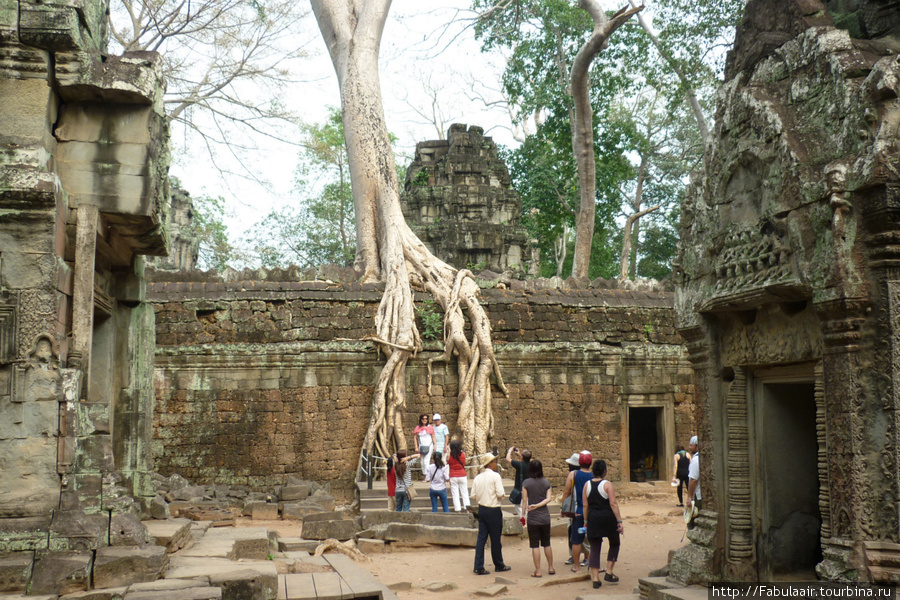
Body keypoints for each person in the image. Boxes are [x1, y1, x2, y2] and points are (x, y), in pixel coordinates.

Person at [583, 459, 623, 588]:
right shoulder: (607, 484)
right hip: (608, 518)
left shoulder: (586, 485)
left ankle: (595, 578)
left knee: (595, 546)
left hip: (593, 518)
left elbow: (585, 505)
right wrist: (619, 520)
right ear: (604, 471)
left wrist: (585, 521)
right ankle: (609, 570)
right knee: (614, 542)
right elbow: (613, 503)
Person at [470, 453, 510, 575]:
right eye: (494, 462)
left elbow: (473, 495)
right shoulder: (495, 476)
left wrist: (482, 499)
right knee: (495, 539)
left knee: (481, 538)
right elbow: (500, 493)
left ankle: (478, 566)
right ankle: (498, 564)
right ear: (490, 464)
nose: (496, 464)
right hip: (493, 509)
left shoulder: (478, 477)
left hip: (482, 508)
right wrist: (500, 497)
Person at [522, 459, 555, 577]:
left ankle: (538, 570)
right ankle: (551, 567)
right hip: (545, 517)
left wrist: (523, 514)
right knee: (547, 543)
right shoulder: (546, 482)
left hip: (533, 518)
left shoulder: (526, 483)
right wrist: (539, 505)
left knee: (535, 545)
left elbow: (525, 500)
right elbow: (549, 498)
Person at [562, 450, 593, 572]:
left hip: (577, 511)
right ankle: (590, 561)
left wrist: (563, 507)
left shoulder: (573, 475)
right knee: (590, 538)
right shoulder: (593, 475)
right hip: (591, 511)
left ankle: (576, 566)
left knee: (576, 540)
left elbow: (566, 491)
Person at [505, 446, 532, 516]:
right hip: (529, 488)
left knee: (519, 507)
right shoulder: (532, 465)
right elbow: (525, 460)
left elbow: (508, 459)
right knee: (526, 505)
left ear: (522, 457)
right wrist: (520, 454)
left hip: (520, 488)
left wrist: (509, 451)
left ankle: (524, 522)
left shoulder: (519, 465)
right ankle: (526, 521)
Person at [448, 440, 470, 512]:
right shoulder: (463, 454)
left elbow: (447, 461)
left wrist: (448, 450)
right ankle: (467, 509)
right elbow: (464, 462)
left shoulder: (449, 456)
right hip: (462, 474)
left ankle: (458, 510)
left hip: (453, 475)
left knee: (455, 494)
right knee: (465, 493)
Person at [686, 436, 701, 518]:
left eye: (691, 445)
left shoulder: (696, 460)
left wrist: (689, 497)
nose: (689, 447)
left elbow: (693, 480)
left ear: (697, 446)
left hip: (698, 495)